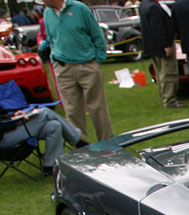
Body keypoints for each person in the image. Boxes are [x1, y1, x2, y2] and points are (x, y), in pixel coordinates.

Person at [42, 0, 115, 141]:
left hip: (87, 65)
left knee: (97, 108)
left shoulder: (79, 8)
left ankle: (108, 144)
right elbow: (51, 38)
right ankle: (81, 148)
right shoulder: (47, 13)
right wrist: (53, 58)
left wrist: (97, 60)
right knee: (72, 112)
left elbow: (97, 34)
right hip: (62, 68)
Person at [0, 107, 85, 176]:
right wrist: (16, 122)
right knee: (45, 112)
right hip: (4, 139)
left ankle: (50, 166)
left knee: (54, 126)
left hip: (9, 130)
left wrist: (13, 116)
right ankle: (78, 141)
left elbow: (2, 116)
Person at [140, 0, 184, 108]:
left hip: (152, 46)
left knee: (159, 72)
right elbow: (157, 28)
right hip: (161, 45)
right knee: (168, 72)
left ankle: (164, 96)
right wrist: (165, 45)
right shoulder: (154, 7)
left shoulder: (144, 4)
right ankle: (170, 100)